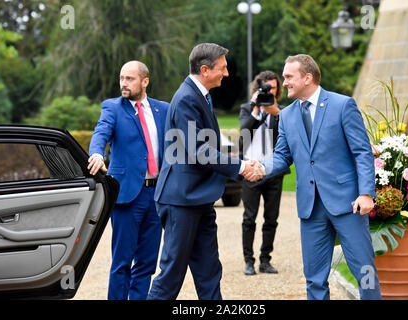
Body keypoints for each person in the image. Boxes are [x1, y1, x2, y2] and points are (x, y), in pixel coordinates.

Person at [245, 54, 382, 300]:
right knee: (314, 278)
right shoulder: (286, 116)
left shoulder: (343, 105)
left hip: (349, 203)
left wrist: (366, 193)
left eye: (289, 77)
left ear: (307, 77)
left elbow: (362, 152)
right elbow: (282, 156)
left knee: (365, 271)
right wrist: (262, 168)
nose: (284, 82)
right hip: (310, 207)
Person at [147, 43, 254, 300]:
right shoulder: (186, 98)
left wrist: (238, 161)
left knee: (209, 271)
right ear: (204, 70)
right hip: (180, 200)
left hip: (199, 198)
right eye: (223, 68)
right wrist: (241, 166)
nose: (226, 74)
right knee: (171, 275)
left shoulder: (200, 95)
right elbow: (199, 151)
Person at [88, 61, 169, 300]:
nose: (124, 83)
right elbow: (101, 132)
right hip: (127, 195)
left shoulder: (162, 109)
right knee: (122, 262)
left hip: (156, 195)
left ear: (145, 81)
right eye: (122, 78)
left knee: (147, 262)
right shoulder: (112, 107)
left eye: (130, 79)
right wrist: (96, 153)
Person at [239, 71, 290, 276]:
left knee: (271, 218)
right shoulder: (247, 109)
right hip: (251, 169)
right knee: (249, 218)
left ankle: (265, 259)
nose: (269, 92)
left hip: (273, 171)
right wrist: (256, 109)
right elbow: (244, 135)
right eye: (265, 89)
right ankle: (248, 261)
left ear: (278, 90)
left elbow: (288, 134)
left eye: (273, 88)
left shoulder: (282, 111)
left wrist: (274, 111)